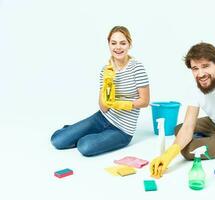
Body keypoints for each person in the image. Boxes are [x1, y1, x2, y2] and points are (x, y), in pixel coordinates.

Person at [150, 42, 215, 196]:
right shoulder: (196, 86)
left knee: (187, 151)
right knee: (179, 129)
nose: (200, 74)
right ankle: (213, 139)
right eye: (195, 68)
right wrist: (167, 155)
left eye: (205, 66)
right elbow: (187, 127)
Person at [51, 26, 150, 156]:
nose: (118, 47)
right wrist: (108, 83)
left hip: (122, 130)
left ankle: (81, 134)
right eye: (113, 43)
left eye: (123, 43)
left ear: (129, 45)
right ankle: (72, 131)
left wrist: (124, 104)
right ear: (109, 44)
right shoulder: (106, 70)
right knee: (57, 141)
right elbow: (104, 108)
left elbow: (145, 101)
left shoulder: (137, 68)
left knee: (84, 146)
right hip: (102, 118)